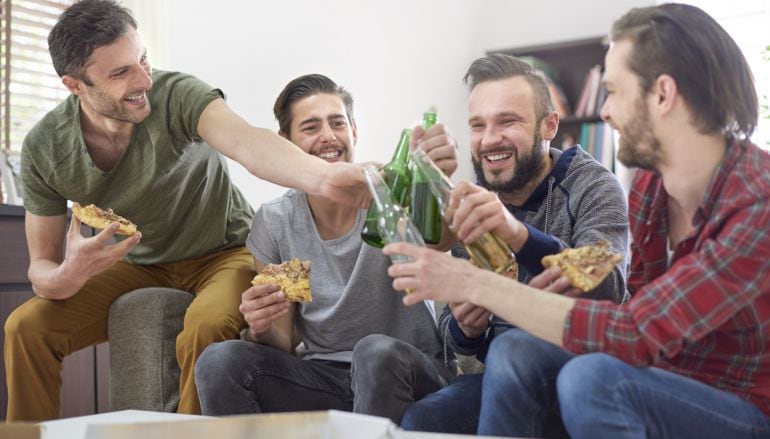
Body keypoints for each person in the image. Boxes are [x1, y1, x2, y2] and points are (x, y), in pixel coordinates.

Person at [387, 4, 770, 438]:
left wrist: (477, 280)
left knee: (588, 379)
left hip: (741, 405)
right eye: (478, 125)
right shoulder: (649, 187)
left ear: (662, 94)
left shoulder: (758, 204)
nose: (605, 111)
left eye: (614, 91)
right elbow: (631, 299)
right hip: (654, 378)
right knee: (505, 362)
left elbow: (633, 327)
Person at [3, 0, 367, 422]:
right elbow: (42, 270)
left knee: (207, 324)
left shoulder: (176, 94)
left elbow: (247, 142)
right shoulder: (45, 149)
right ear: (75, 85)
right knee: (24, 328)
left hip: (224, 252)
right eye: (121, 72)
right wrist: (70, 273)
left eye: (142, 59)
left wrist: (325, 179)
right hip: (140, 262)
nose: (144, 79)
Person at [194, 73, 458, 423]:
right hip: (325, 378)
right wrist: (261, 326)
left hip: (407, 368)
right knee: (219, 360)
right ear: (283, 143)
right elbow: (282, 340)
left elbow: (441, 240)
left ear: (354, 132)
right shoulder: (277, 222)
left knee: (374, 351)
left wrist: (436, 178)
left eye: (338, 123)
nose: (329, 137)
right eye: (311, 127)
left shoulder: (390, 193)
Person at [399, 53, 629, 435]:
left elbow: (608, 284)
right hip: (498, 377)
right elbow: (456, 345)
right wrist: (465, 330)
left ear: (549, 125)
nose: (490, 140)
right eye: (478, 126)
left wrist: (517, 234)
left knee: (515, 348)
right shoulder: (468, 201)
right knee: (422, 420)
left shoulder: (594, 185)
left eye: (507, 121)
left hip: (579, 371)